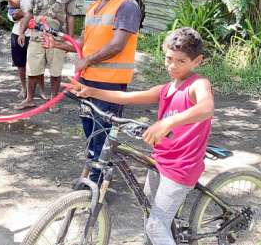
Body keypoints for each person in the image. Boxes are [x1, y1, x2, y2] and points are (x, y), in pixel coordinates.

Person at [68, 27, 215, 245]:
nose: (172, 66)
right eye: (168, 58)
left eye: (180, 61)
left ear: (197, 61)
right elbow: (128, 97)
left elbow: (206, 107)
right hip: (160, 161)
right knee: (151, 216)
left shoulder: (198, 85)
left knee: (156, 226)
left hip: (182, 167)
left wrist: (168, 121)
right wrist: (91, 91)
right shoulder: (166, 89)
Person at [43, 0, 140, 182]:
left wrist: (86, 60)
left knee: (103, 133)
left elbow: (118, 45)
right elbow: (84, 43)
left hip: (110, 84)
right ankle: (95, 176)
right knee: (90, 131)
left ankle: (97, 183)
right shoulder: (95, 6)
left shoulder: (127, 5)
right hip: (87, 82)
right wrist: (58, 45)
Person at [15, 0, 76, 112]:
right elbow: (29, 13)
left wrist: (70, 40)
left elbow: (70, 17)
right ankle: (29, 99)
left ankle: (53, 101)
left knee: (55, 72)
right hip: (37, 37)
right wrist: (22, 32)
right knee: (32, 70)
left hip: (56, 40)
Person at [7, 0, 46, 99]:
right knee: (20, 64)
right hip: (17, 33)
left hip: (35, 34)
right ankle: (24, 88)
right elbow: (10, 12)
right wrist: (14, 17)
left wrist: (26, 15)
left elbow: (43, 15)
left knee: (38, 64)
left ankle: (41, 90)